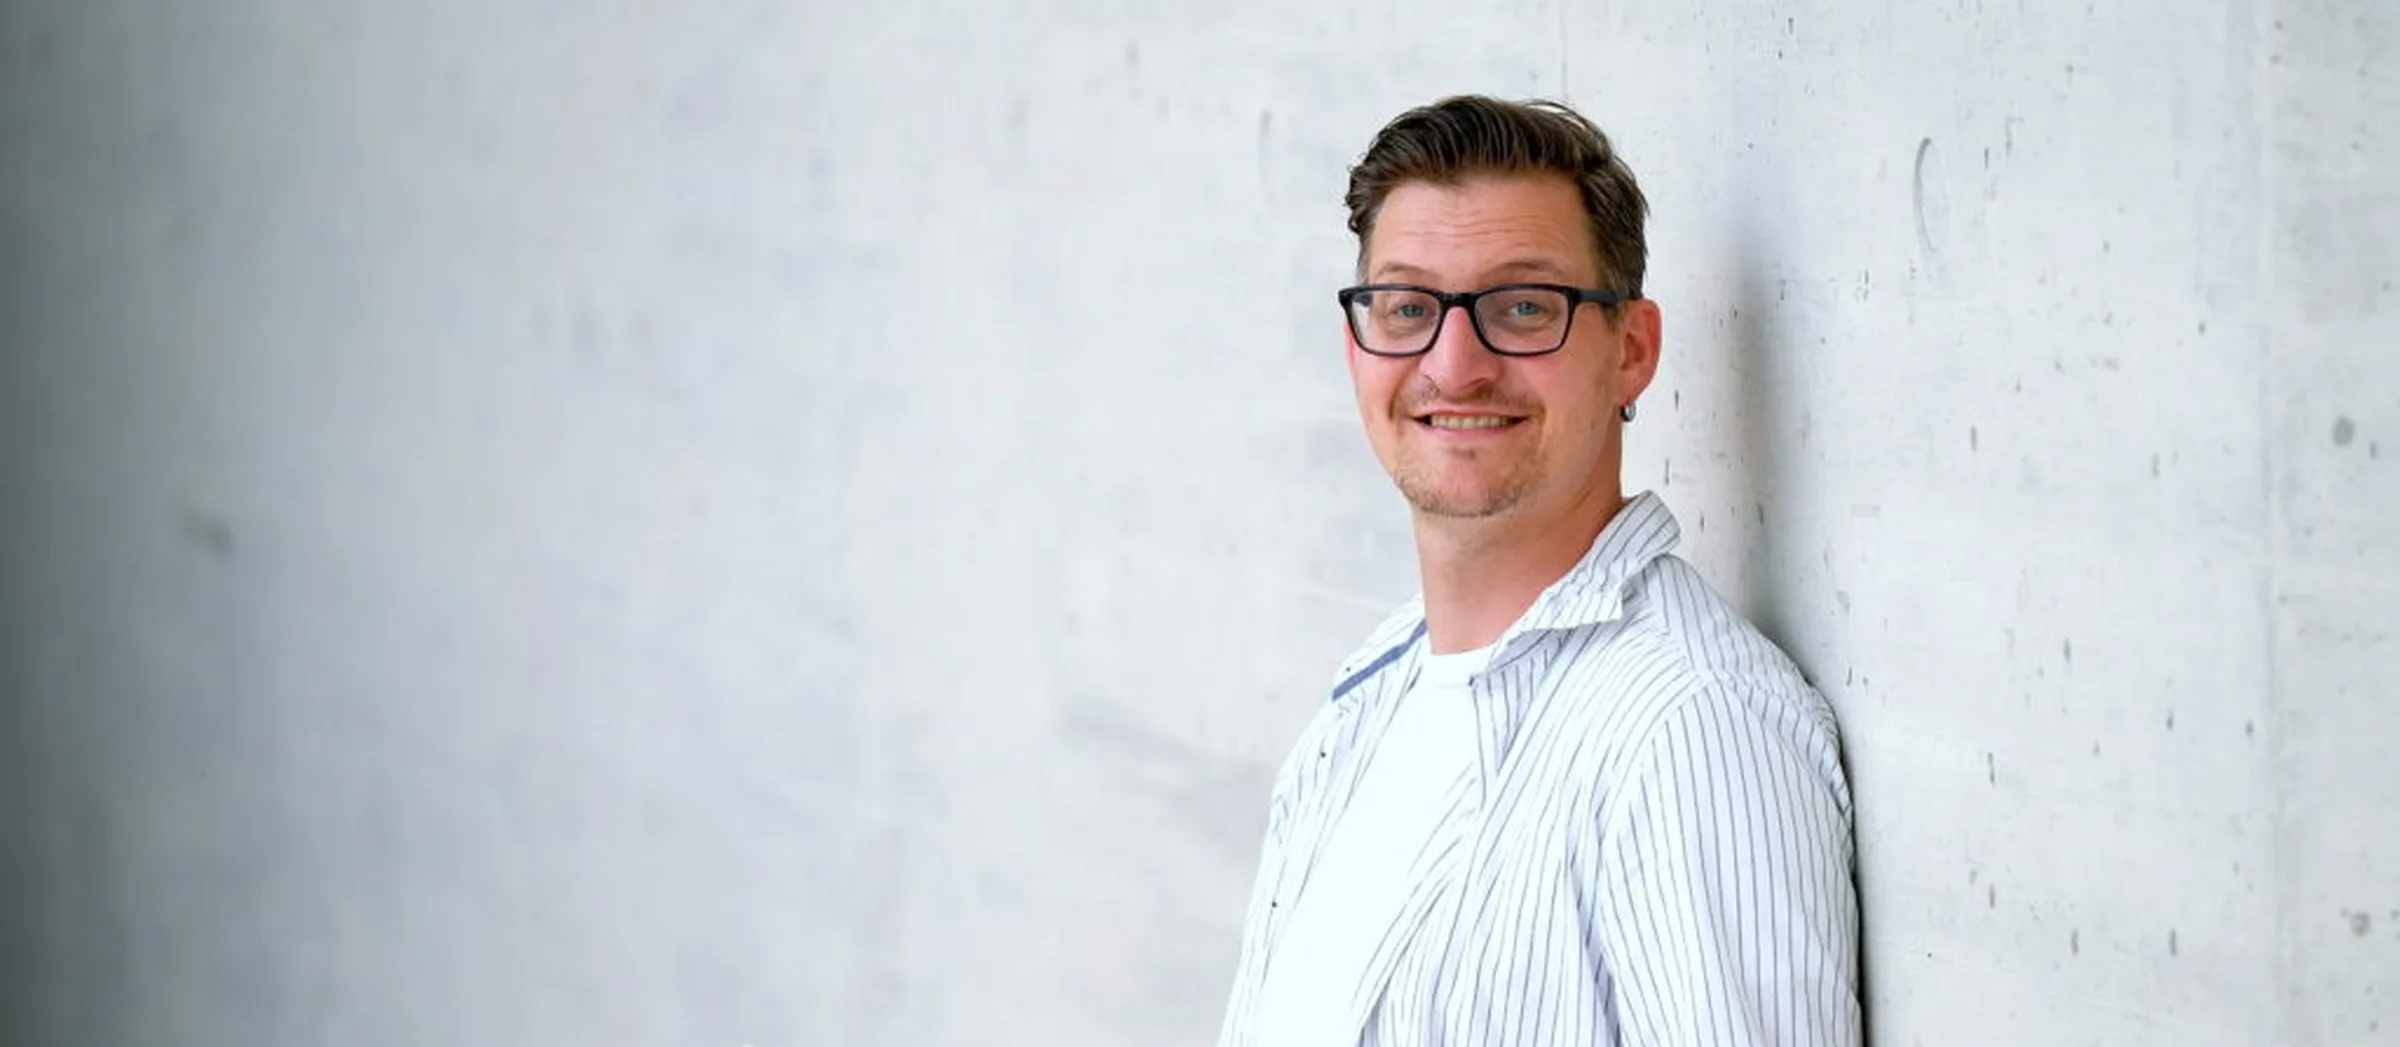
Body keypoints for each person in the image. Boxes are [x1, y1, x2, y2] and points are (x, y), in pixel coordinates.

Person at [1215, 95, 1862, 1047]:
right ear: (1357, 347)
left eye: (1523, 307)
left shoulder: (1685, 728)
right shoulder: (1362, 709)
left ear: (1631, 350)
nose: (1456, 365)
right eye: (1408, 307)